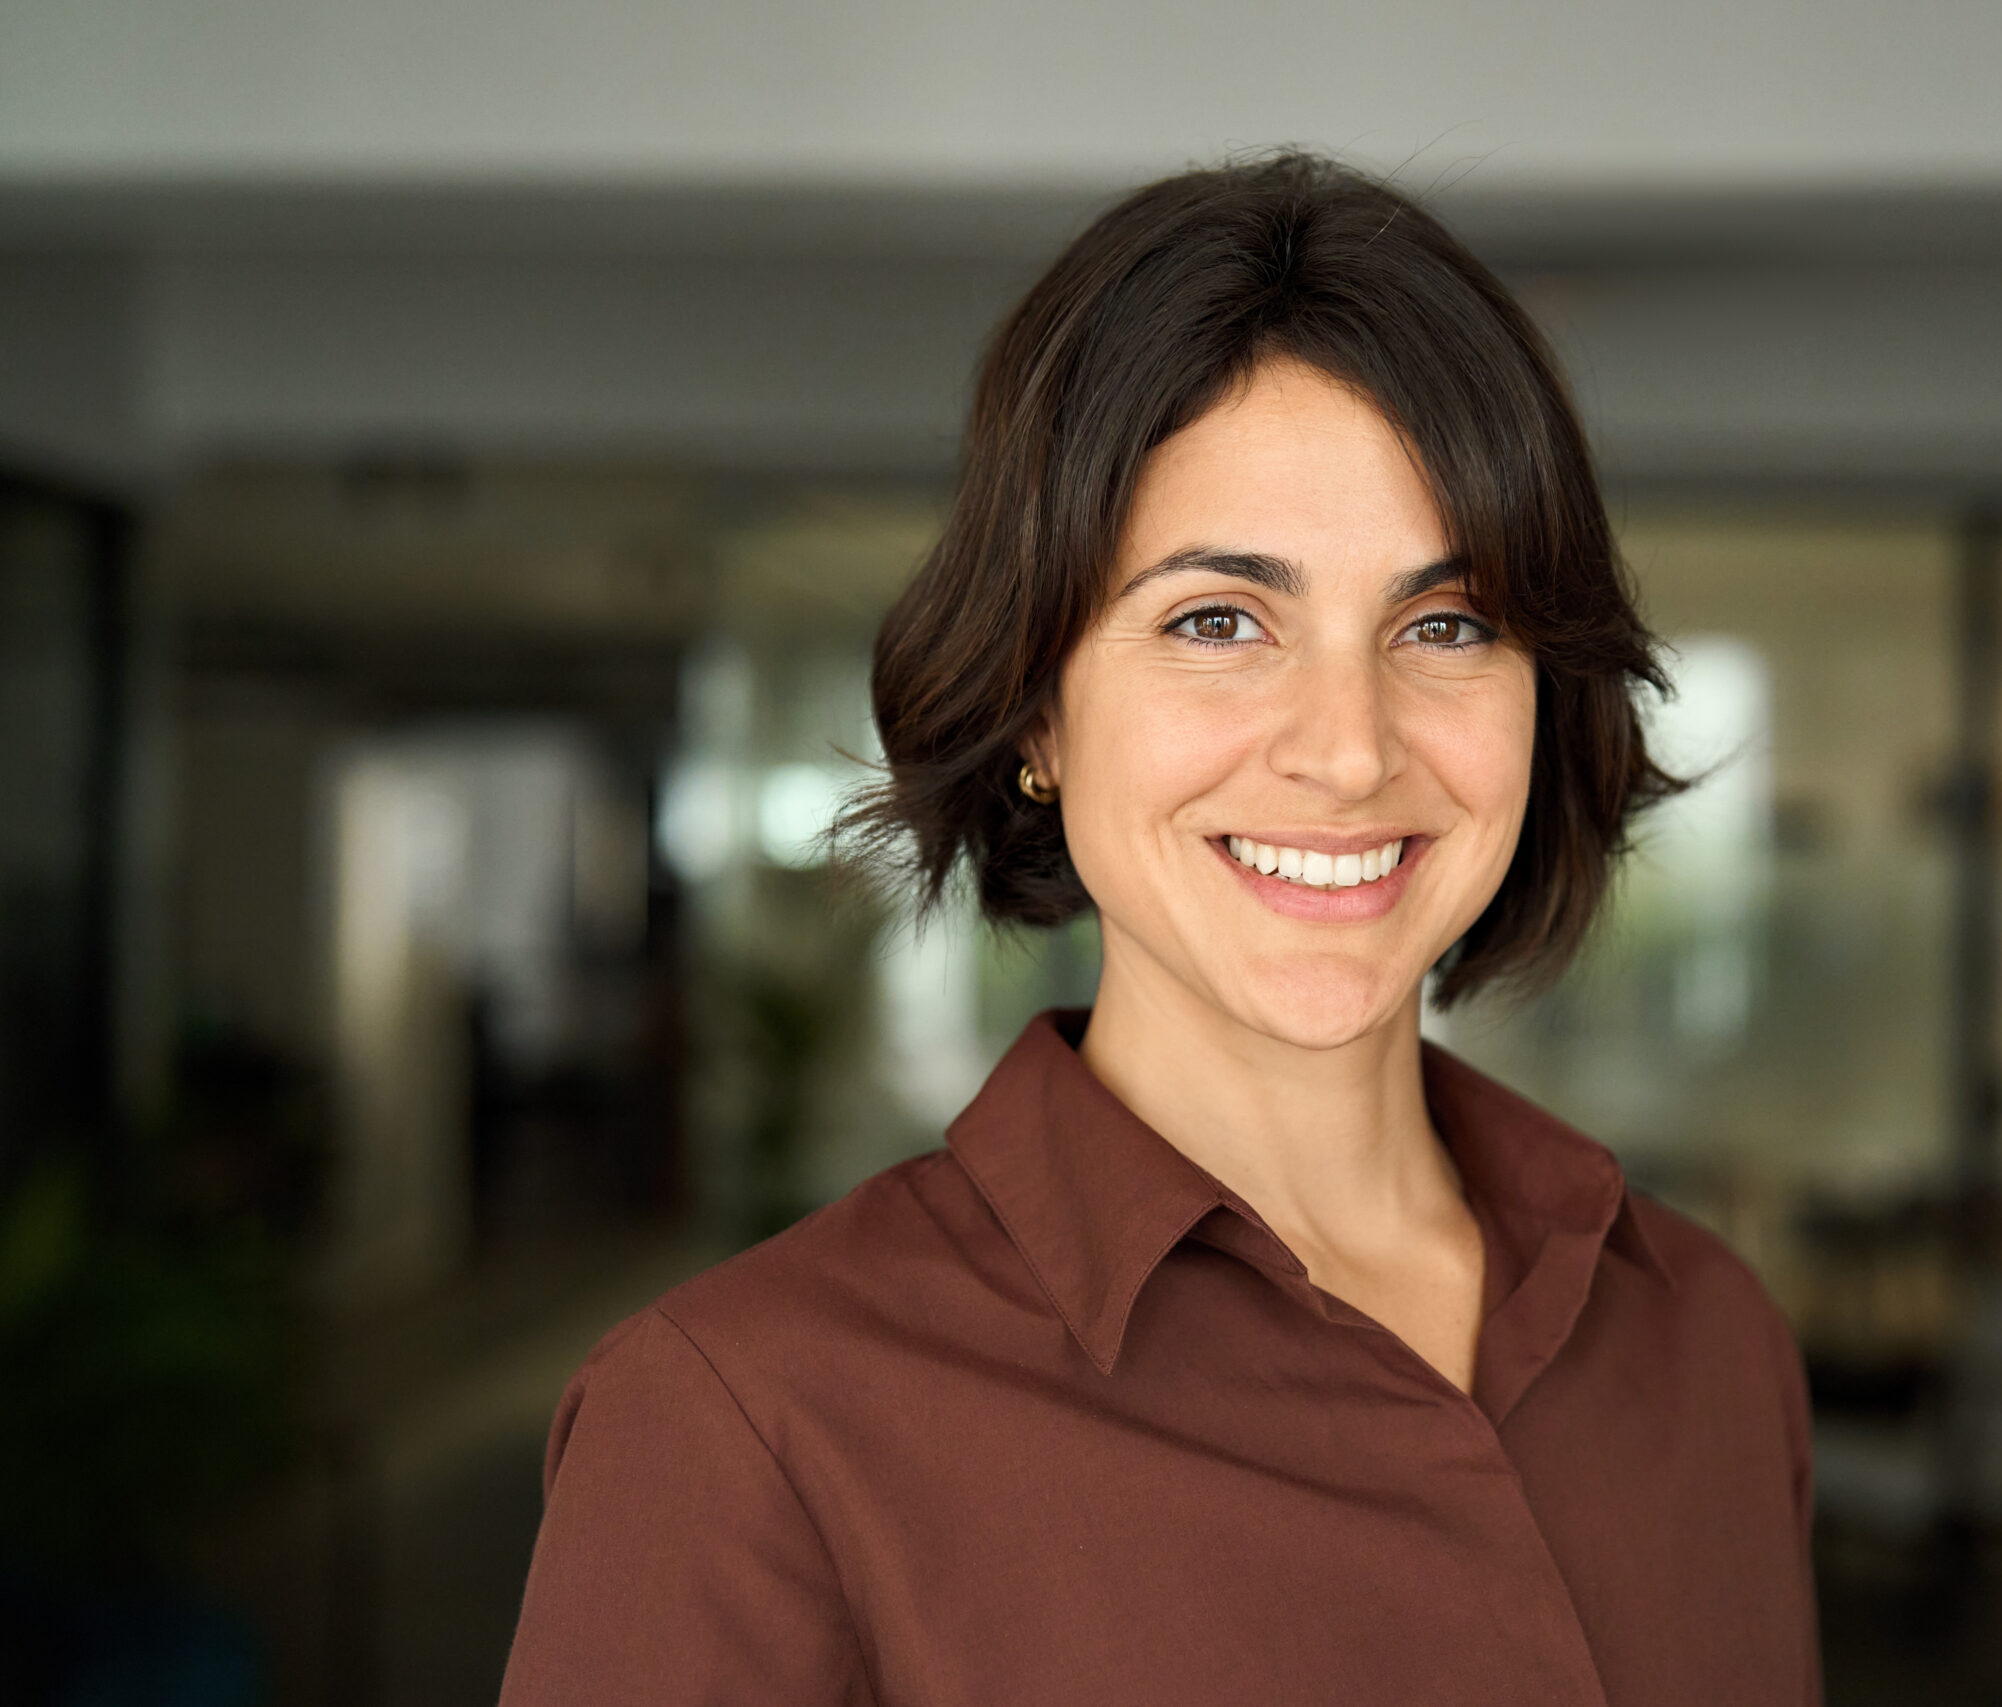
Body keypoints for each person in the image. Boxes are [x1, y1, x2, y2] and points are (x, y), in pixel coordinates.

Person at [500, 153, 1819, 1707]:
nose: (1348, 747)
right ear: (1039, 711)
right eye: (1219, 622)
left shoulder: (1707, 1345)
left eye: (1445, 625)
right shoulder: (748, 1428)